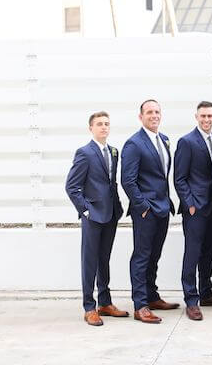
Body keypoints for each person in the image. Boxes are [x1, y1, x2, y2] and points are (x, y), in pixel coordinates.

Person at [65, 111, 128, 326]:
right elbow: (72, 186)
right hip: (93, 216)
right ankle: (89, 307)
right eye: (99, 124)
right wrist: (85, 210)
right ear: (91, 128)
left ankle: (105, 302)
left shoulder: (113, 151)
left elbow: (112, 183)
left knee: (104, 259)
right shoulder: (84, 153)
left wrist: (117, 207)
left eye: (107, 124)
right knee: (89, 261)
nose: (104, 127)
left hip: (110, 214)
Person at [121, 99, 179, 324]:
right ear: (141, 117)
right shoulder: (134, 144)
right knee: (142, 256)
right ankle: (141, 305)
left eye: (157, 112)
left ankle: (152, 296)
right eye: (149, 112)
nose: (154, 115)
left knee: (154, 255)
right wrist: (142, 206)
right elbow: (128, 180)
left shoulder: (163, 140)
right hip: (146, 210)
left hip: (163, 208)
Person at [174, 101, 212, 321]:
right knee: (192, 253)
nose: (206, 120)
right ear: (196, 117)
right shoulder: (187, 142)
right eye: (203, 116)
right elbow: (180, 178)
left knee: (209, 251)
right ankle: (191, 299)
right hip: (195, 208)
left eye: (210, 116)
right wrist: (190, 203)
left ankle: (205, 292)